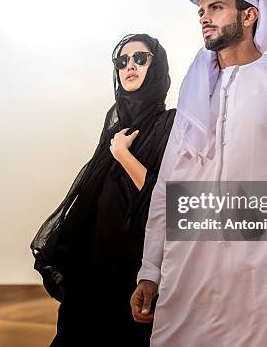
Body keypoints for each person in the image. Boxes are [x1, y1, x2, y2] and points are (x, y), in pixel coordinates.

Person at [130, 0, 267, 346]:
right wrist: (150, 270)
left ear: (249, 16)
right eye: (201, 12)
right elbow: (167, 187)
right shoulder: (194, 93)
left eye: (216, 8)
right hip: (191, 262)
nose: (205, 18)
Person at [30, 34, 176, 346]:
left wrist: (123, 155)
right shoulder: (113, 130)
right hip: (92, 272)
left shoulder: (171, 125)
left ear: (157, 66)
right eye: (122, 61)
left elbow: (164, 200)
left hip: (135, 275)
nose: (130, 66)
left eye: (140, 58)